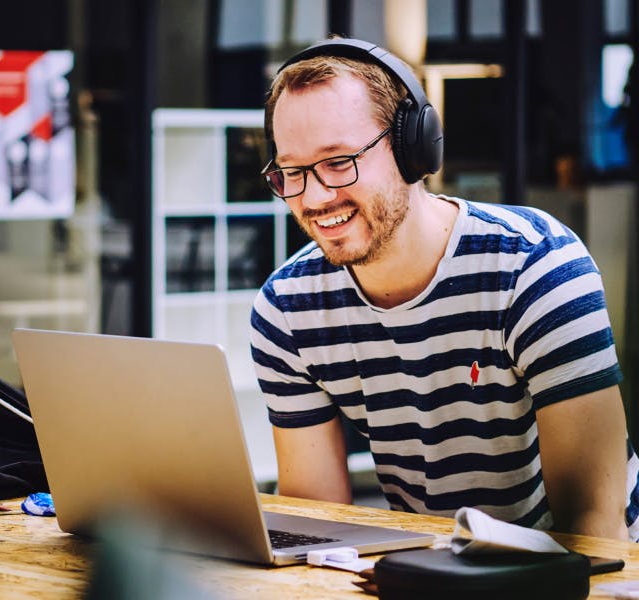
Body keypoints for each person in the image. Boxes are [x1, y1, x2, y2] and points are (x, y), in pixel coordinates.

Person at [249, 37, 639, 542]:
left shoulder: (534, 265)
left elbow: (593, 527)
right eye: (292, 171)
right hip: (436, 563)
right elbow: (317, 519)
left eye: (339, 161)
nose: (316, 196)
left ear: (416, 146)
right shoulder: (287, 310)